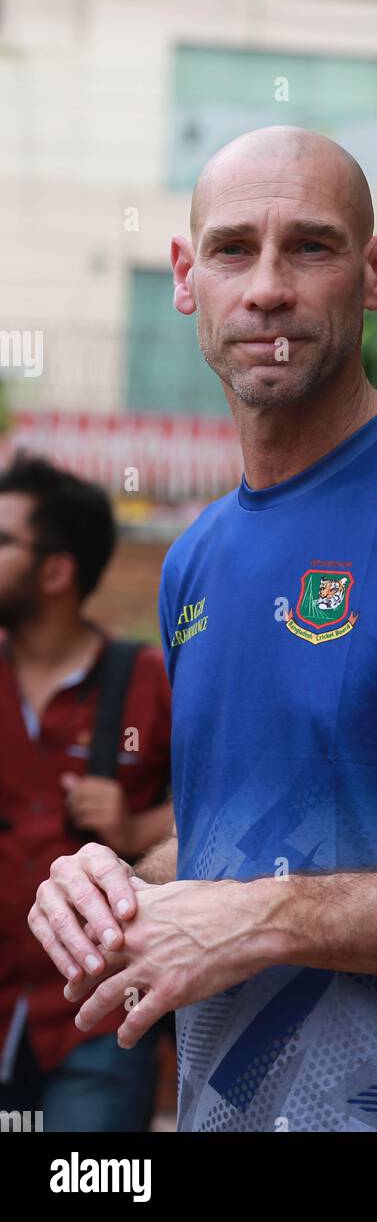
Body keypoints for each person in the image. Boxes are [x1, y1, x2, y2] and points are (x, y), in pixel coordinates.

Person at [28, 127, 377, 1132]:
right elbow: (242, 855)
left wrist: (269, 918)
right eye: (232, 248)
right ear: (184, 276)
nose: (266, 289)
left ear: (373, 271)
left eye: (310, 247)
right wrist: (117, 885)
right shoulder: (193, 557)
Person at [0, 454, 173, 1130]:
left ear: (56, 571)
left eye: (3, 539)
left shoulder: (147, 682)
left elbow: (222, 802)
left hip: (96, 1022)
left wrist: (135, 831)